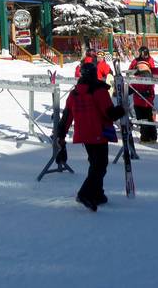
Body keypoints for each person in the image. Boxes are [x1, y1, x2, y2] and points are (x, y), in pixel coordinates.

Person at [57, 61, 126, 211]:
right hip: (98, 133)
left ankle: (97, 193)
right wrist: (121, 110)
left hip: (84, 135)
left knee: (95, 164)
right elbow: (109, 113)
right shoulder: (99, 91)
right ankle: (85, 193)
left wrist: (61, 134)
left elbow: (67, 116)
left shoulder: (74, 93)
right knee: (100, 166)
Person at [129, 47, 158, 142]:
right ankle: (150, 136)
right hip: (140, 96)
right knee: (146, 116)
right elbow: (130, 71)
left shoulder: (150, 60)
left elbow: (154, 72)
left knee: (145, 116)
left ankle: (148, 137)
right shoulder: (136, 62)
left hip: (145, 97)